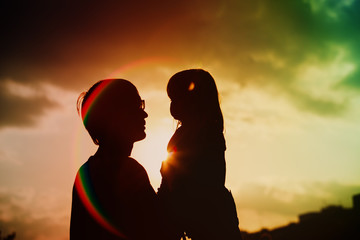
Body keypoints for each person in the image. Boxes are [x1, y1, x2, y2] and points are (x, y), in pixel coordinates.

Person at [70, 79, 171, 240]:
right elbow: (161, 231)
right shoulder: (128, 171)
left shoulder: (84, 174)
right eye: (137, 107)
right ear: (118, 115)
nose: (144, 113)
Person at [158, 69, 242, 240]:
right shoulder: (189, 133)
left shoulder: (206, 135)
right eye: (171, 99)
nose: (173, 105)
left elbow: (191, 180)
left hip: (210, 216)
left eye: (177, 98)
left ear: (195, 100)